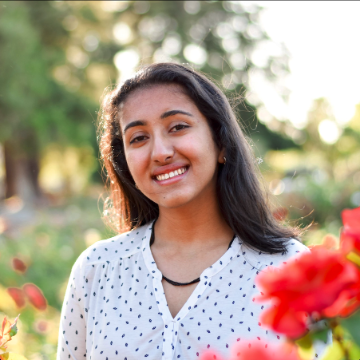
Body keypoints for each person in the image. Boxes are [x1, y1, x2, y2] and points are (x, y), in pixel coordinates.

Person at [57, 63, 310, 360]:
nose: (161, 152)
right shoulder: (96, 270)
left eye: (178, 127)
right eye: (138, 138)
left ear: (220, 142)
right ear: (124, 161)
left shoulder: (292, 270)